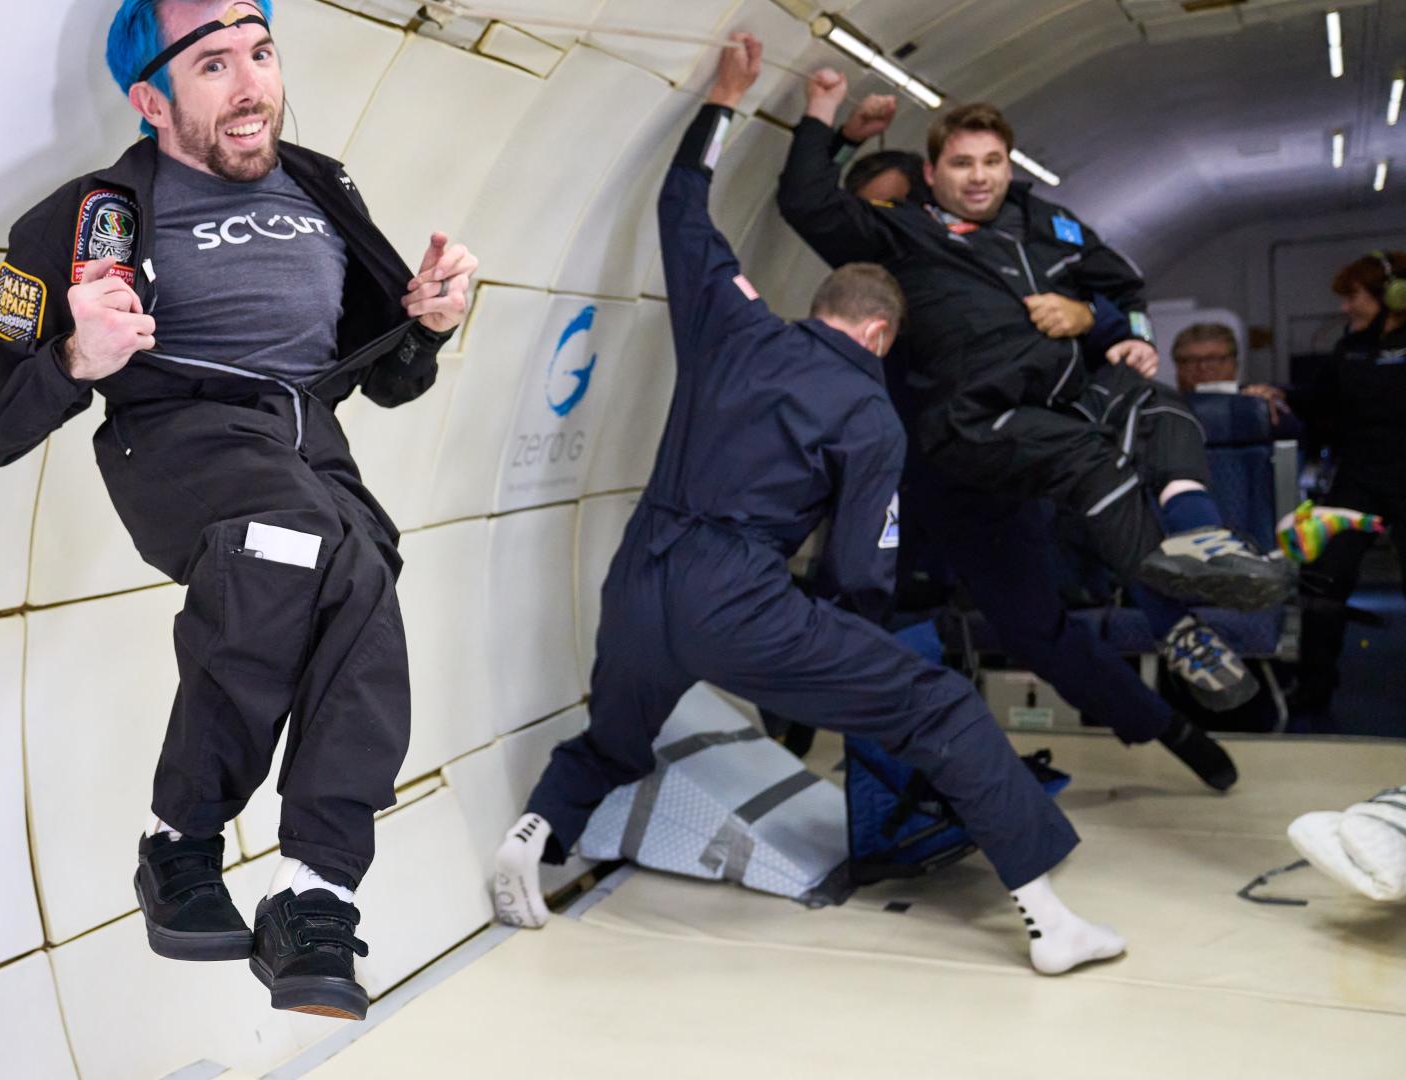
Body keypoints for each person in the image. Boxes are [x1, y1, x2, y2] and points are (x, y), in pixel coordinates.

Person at [490, 36, 1124, 977]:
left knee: (618, 737)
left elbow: (682, 207)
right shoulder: (873, 415)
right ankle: (1048, 920)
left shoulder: (732, 321)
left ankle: (535, 840)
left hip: (640, 579)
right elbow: (859, 571)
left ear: (820, 304)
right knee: (941, 707)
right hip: (740, 603)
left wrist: (723, 100)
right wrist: (840, 657)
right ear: (878, 330)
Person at [0, 0, 477, 1021]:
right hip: (180, 434)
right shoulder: (80, 219)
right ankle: (185, 833)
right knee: (293, 541)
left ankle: (311, 896)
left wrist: (430, 321)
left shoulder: (323, 187)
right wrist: (78, 358)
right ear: (151, 99)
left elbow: (390, 378)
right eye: (214, 66)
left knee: (366, 576)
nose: (253, 87)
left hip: (308, 439)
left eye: (262, 53)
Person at [779, 73, 1294, 739]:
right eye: (961, 164)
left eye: (990, 162)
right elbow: (811, 203)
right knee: (849, 593)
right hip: (923, 461)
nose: (976, 177)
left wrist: (1096, 320)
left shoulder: (1034, 233)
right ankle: (792, 728)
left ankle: (1175, 710)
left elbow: (1114, 301)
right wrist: (834, 125)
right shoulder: (898, 244)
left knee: (1040, 610)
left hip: (1016, 449)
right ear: (931, 177)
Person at [1292, 252, 1406, 718]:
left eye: (1353, 297)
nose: (1345, 308)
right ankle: (1313, 691)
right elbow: (1315, 404)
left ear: (1391, 295)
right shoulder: (1349, 348)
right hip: (1357, 479)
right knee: (1323, 580)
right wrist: (1274, 396)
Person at [1172, 323, 1301, 437]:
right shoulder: (1166, 408)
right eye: (1191, 360)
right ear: (1178, 366)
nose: (1203, 367)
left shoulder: (1256, 402)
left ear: (1235, 363)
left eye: (1214, 358)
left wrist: (1269, 405)